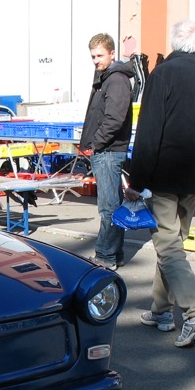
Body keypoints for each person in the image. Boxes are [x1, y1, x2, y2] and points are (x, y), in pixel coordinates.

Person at [126, 18, 195, 347]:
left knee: (169, 247)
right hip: (192, 178)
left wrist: (136, 179)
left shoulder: (162, 76)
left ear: (173, 43)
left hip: (163, 175)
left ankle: (194, 315)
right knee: (171, 246)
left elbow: (148, 133)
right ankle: (160, 310)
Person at [78, 33, 134, 271]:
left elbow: (114, 119)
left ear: (112, 53)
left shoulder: (116, 79)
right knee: (112, 204)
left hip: (109, 151)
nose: (95, 60)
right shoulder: (106, 77)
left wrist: (96, 144)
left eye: (99, 55)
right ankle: (114, 253)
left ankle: (105, 256)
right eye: (92, 56)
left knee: (108, 206)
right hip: (105, 149)